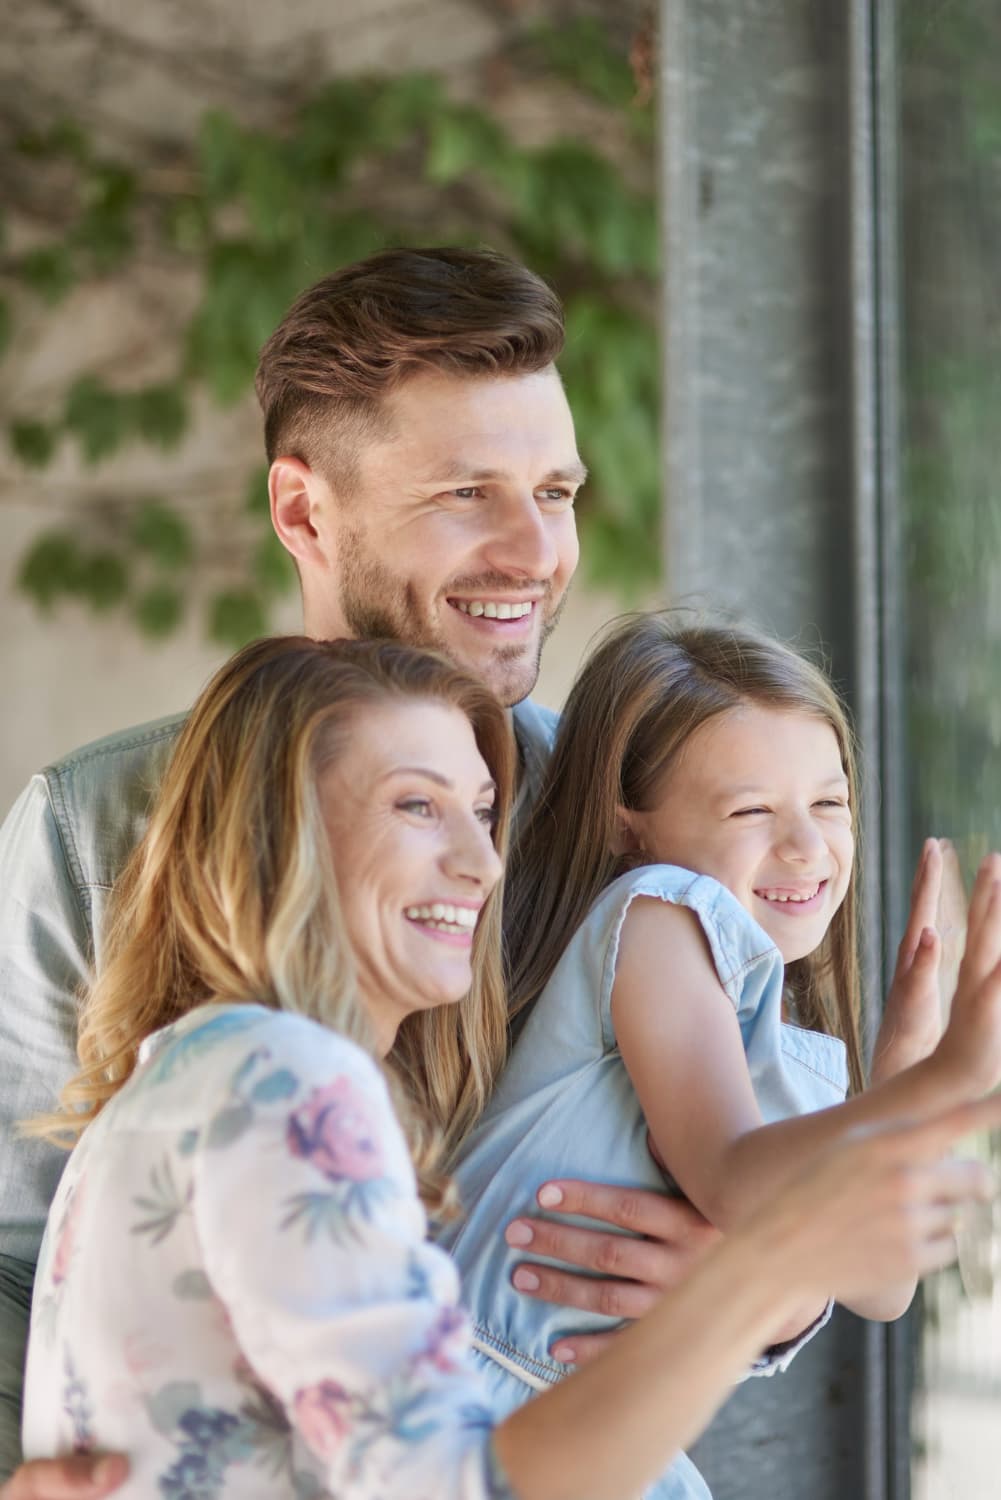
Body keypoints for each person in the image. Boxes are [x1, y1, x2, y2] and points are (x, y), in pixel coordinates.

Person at [0, 246, 959, 1494]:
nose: (532, 551)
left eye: (554, 493)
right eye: (467, 494)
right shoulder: (92, 825)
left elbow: (749, 1165)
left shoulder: (621, 819)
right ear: (303, 512)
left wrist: (757, 1298)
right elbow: (20, 1253)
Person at [17, 634, 1001, 1500]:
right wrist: (920, 1107)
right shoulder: (284, 1082)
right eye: (417, 806)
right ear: (279, 837)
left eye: (482, 812)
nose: (483, 865)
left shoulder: (205, 1078)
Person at [443, 614, 1001, 1499]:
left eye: (829, 802)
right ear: (628, 828)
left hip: (600, 1434)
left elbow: (879, 1286)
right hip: (477, 1418)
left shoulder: (765, 1025)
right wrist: (941, 1088)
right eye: (752, 810)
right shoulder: (657, 914)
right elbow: (733, 1179)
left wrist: (900, 1072)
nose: (806, 845)